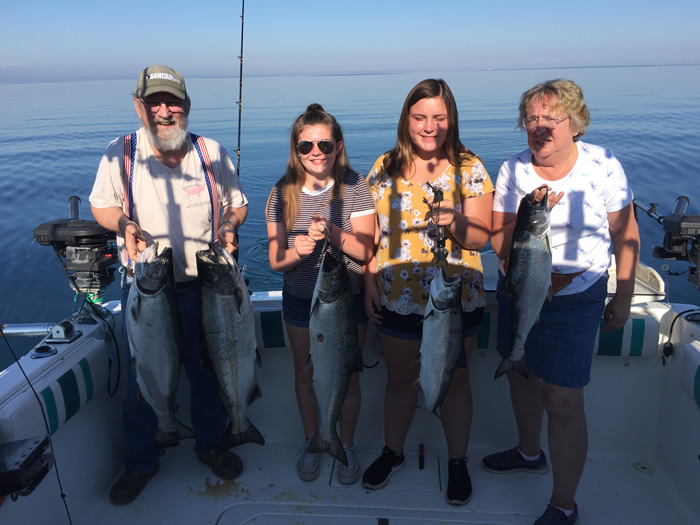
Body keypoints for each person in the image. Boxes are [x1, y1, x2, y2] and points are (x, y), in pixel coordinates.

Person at [89, 65, 249, 505]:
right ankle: (141, 460)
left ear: (187, 107)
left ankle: (212, 443)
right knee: (143, 377)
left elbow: (239, 206)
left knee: (207, 370)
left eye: (173, 102)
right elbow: (102, 206)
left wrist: (231, 227)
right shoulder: (119, 153)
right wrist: (123, 224)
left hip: (207, 287)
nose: (165, 111)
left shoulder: (211, 152)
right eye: (155, 102)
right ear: (139, 107)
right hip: (147, 289)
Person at [486, 79, 640, 525]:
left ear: (575, 124)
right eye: (532, 118)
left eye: (551, 118)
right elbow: (499, 241)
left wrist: (623, 297)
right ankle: (529, 452)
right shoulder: (513, 171)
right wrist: (532, 214)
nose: (540, 127)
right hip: (520, 286)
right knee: (521, 376)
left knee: (563, 400)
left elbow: (625, 234)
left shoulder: (603, 165)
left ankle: (563, 505)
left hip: (578, 296)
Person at [362, 79, 494, 505]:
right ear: (407, 119)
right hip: (396, 297)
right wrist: (368, 281)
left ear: (450, 118)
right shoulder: (384, 166)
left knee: (455, 383)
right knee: (400, 381)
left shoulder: (469, 167)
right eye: (420, 117)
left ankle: (457, 462)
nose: (429, 126)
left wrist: (454, 220)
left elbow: (481, 238)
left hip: (455, 298)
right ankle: (392, 452)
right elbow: (368, 234)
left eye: (439, 117)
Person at [265, 104, 376, 484]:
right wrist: (300, 250)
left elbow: (365, 250)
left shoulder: (356, 186)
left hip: (345, 304)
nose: (316, 152)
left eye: (324, 144)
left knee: (347, 377)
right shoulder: (281, 193)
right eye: (306, 145)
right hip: (300, 303)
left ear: (338, 146)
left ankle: (344, 443)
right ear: (296, 149)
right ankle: (314, 439)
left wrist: (330, 233)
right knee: (305, 373)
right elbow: (276, 260)